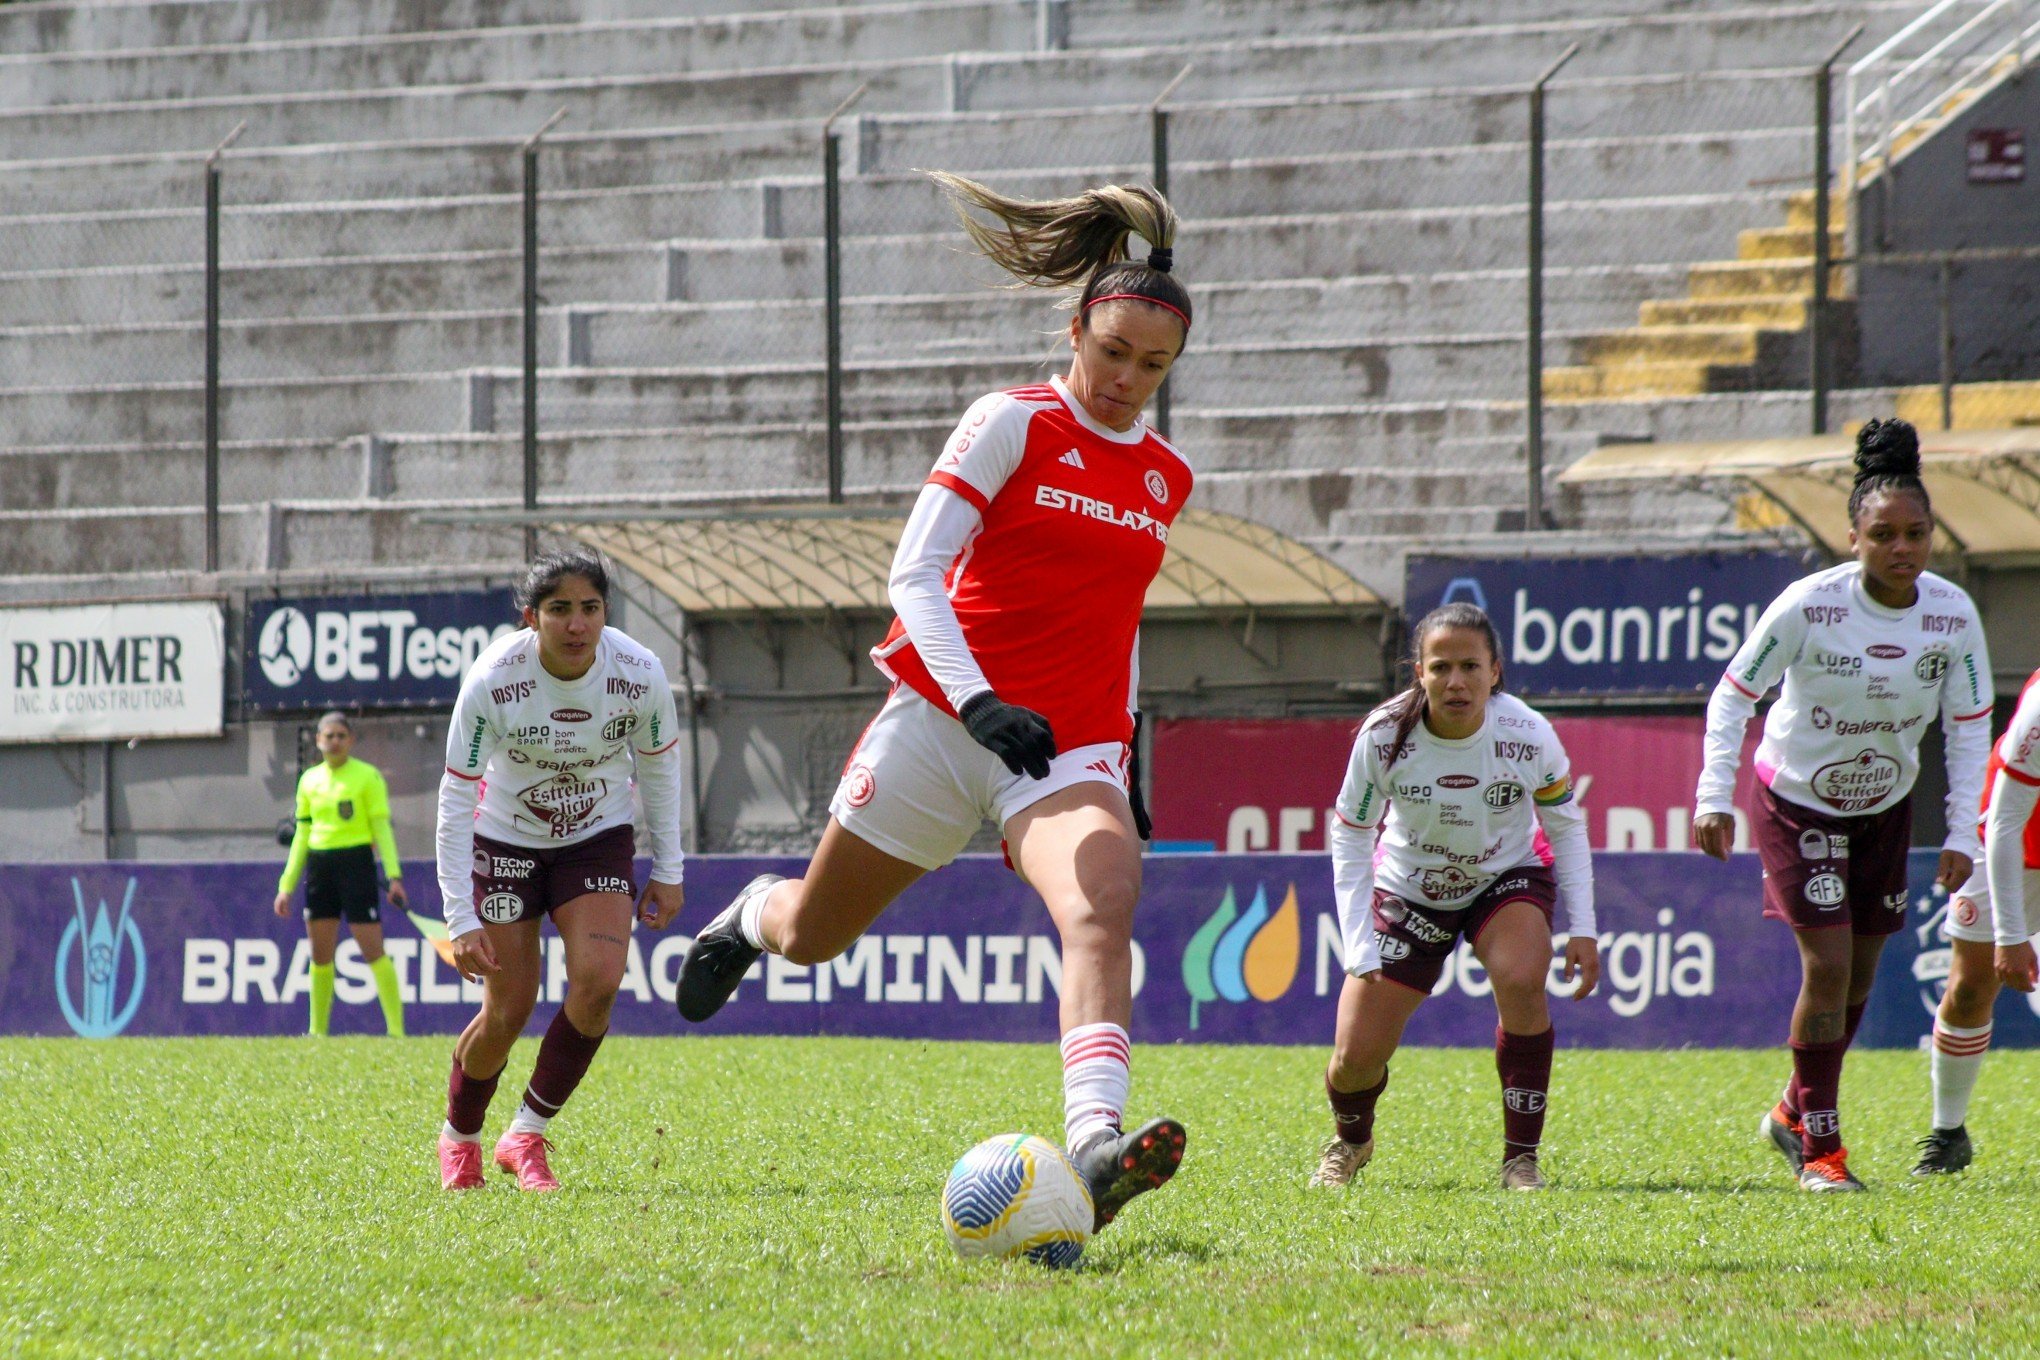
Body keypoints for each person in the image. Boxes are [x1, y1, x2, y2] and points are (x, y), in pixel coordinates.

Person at [673, 175, 1194, 1231]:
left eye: (1152, 366)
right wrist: (979, 700)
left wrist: (1123, 763)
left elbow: (1121, 622)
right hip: (942, 722)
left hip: (1066, 748)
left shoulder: (1166, 478)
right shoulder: (1010, 420)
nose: (1127, 380)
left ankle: (1095, 1143)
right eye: (1112, 354)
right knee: (815, 934)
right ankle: (749, 913)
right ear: (1077, 329)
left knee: (1102, 899)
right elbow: (915, 575)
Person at [1695, 418, 1991, 1193]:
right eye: (1884, 533)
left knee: (1859, 979)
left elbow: (1968, 729)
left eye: (1917, 533)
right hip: (1797, 805)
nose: (1903, 548)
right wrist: (1712, 795)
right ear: (1852, 536)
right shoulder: (1809, 605)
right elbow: (1732, 697)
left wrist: (1962, 830)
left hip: (1885, 810)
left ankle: (1793, 1111)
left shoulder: (1953, 615)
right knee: (1826, 969)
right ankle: (1821, 1153)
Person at [1309, 603, 1599, 1193]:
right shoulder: (1384, 735)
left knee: (1522, 975)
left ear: (1495, 671)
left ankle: (1521, 1159)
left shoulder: (1527, 734)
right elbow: (1350, 832)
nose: (1456, 681)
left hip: (1505, 875)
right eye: (1441, 667)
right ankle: (1351, 1140)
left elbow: (1565, 827)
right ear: (1418, 672)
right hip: (1410, 888)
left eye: (1471, 666)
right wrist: (1358, 941)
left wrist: (1585, 928)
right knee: (1354, 1058)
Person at [433, 550, 686, 1192]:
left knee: (599, 981)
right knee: (509, 1009)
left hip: (596, 838)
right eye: (560, 610)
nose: (577, 625)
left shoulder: (640, 672)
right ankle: (460, 1137)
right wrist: (459, 916)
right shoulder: (493, 678)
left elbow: (658, 768)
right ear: (532, 617)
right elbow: (457, 793)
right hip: (507, 841)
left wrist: (670, 867)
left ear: (607, 612)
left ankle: (526, 1135)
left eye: (591, 609)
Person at [1912, 668, 2040, 1173]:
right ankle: (1948, 1133)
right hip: (2009, 841)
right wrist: (2010, 938)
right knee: (1970, 988)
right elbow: (2007, 822)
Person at [273, 711, 408, 1037]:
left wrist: (394, 876)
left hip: (356, 864)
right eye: (328, 736)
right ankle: (317, 1032)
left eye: (340, 736)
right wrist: (286, 886)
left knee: (372, 949)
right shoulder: (309, 780)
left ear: (351, 740)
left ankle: (397, 1031)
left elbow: (382, 829)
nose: (334, 741)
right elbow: (301, 836)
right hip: (320, 868)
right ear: (318, 741)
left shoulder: (368, 777)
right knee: (320, 954)